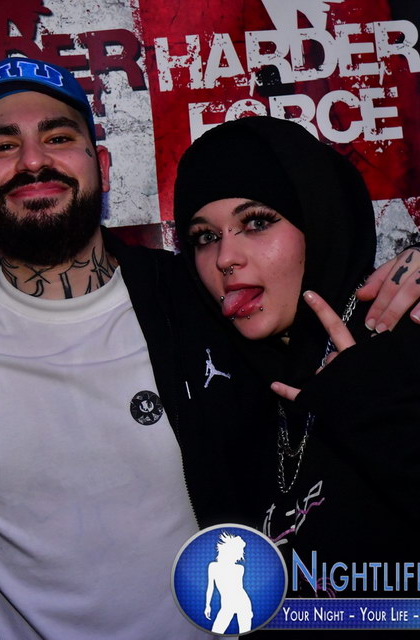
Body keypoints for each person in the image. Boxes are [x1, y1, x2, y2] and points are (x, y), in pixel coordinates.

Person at [0, 59, 420, 639]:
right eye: (3, 145)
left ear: (103, 167)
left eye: (58, 137)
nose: (32, 160)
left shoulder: (195, 300)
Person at [173, 116, 419, 607]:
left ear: (319, 222)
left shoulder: (403, 337)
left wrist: (380, 408)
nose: (225, 257)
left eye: (256, 222)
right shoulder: (230, 381)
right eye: (204, 236)